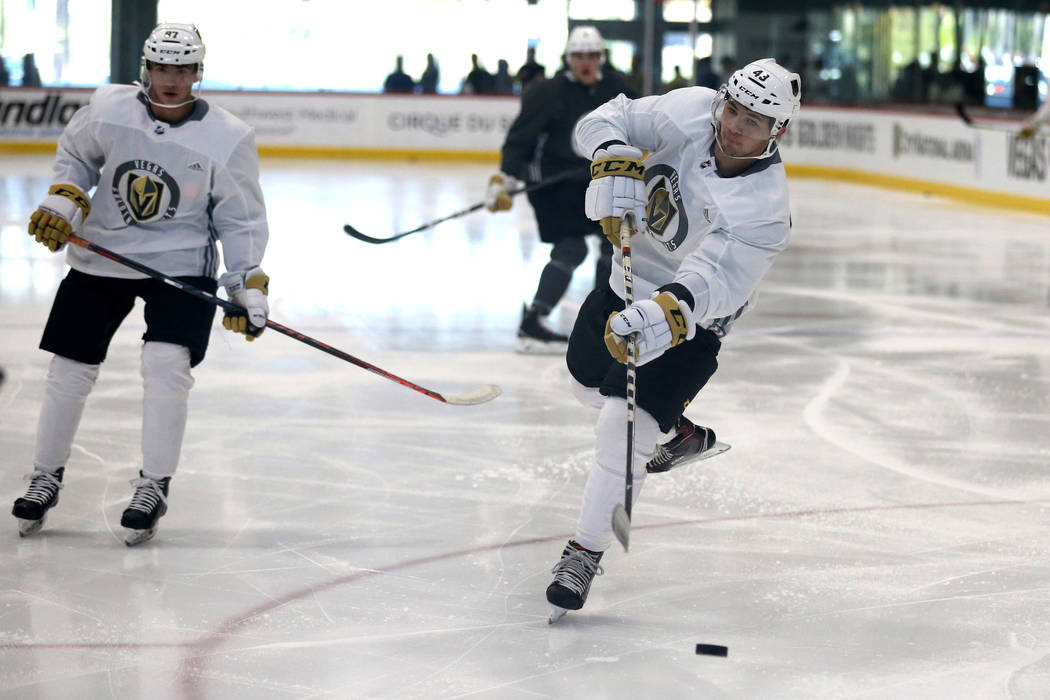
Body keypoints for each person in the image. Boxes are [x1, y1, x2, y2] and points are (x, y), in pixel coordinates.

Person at [545, 58, 801, 619]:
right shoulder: (686, 111)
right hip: (621, 285)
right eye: (733, 109)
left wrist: (669, 313)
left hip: (690, 322)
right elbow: (605, 118)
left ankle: (584, 553)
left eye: (754, 121)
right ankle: (678, 433)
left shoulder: (765, 209)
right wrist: (609, 153)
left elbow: (716, 281)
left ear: (776, 131)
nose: (735, 126)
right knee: (585, 384)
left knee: (622, 425)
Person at [10, 23, 270, 546]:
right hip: (103, 252)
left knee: (165, 366)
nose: (170, 80)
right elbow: (78, 157)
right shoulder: (108, 108)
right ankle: (45, 476)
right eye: (161, 68)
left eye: (182, 69)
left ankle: (153, 484)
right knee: (69, 369)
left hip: (180, 262)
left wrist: (245, 285)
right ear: (145, 69)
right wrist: (63, 200)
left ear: (198, 73)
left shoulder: (227, 135)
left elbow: (240, 218)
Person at [484, 26, 634, 353]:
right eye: (579, 56)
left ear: (600, 58)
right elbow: (520, 138)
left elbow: (636, 128)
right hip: (552, 184)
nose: (586, 63)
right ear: (568, 58)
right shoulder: (546, 92)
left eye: (592, 56)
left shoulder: (615, 88)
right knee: (572, 248)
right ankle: (534, 320)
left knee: (612, 249)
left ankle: (601, 322)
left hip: (594, 181)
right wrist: (507, 177)